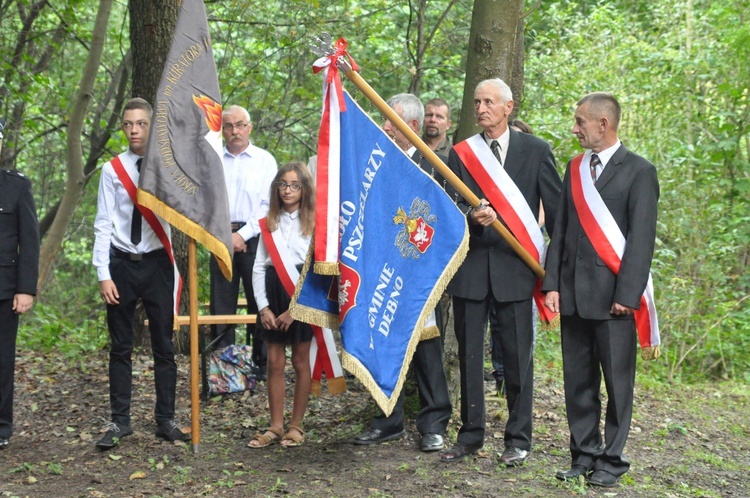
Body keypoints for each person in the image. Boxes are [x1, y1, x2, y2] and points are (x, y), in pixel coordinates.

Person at [542, 92, 659, 487]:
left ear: (603, 125)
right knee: (577, 382)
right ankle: (584, 454)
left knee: (617, 384)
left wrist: (628, 296)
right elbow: (560, 231)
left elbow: (641, 242)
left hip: (614, 302)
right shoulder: (575, 168)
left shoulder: (639, 171)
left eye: (580, 122)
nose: (575, 129)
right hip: (573, 295)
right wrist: (552, 284)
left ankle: (612, 459)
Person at [442, 79, 561, 465]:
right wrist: (472, 217)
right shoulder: (462, 154)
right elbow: (447, 211)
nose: (481, 109)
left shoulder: (537, 150)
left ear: (509, 107)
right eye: (477, 102)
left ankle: (519, 439)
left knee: (516, 359)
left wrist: (554, 279)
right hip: (472, 270)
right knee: (470, 357)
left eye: (489, 102)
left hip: (516, 271)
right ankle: (470, 435)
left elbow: (556, 219)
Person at [353, 93, 451, 453]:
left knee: (427, 350)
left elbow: (445, 220)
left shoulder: (433, 166)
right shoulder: (377, 163)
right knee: (384, 345)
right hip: (383, 270)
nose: (384, 128)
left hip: (420, 273)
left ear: (411, 126)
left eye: (390, 122)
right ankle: (387, 420)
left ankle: (434, 423)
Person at [92, 98, 188, 449]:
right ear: (123, 127)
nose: (134, 130)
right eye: (129, 124)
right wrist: (103, 272)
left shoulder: (168, 167)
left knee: (164, 346)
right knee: (120, 347)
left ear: (151, 125)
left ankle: (165, 419)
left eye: (141, 123)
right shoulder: (111, 169)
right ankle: (120, 421)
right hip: (120, 264)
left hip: (157, 263)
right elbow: (103, 223)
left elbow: (185, 209)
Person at [248, 162, 315, 448]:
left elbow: (317, 270)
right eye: (283, 184)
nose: (288, 190)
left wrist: (295, 309)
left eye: (295, 185)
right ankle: (275, 426)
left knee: (300, 360)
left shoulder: (314, 222)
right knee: (274, 361)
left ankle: (296, 426)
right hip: (273, 296)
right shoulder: (268, 222)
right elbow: (258, 268)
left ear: (304, 189)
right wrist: (264, 307)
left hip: (302, 295)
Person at [210, 105, 277, 373]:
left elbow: (268, 205)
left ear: (250, 127)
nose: (235, 131)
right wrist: (226, 236)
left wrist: (241, 235)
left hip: (256, 240)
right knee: (220, 304)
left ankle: (261, 365)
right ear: (222, 130)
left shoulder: (264, 160)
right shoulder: (212, 160)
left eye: (240, 125)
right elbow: (207, 202)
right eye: (228, 126)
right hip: (219, 238)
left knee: (259, 300)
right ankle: (224, 369)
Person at [0, 117, 40, 450]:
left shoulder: (16, 185)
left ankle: (1, 427)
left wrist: (26, 288)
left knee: (1, 359)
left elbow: (29, 240)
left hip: (4, 288)